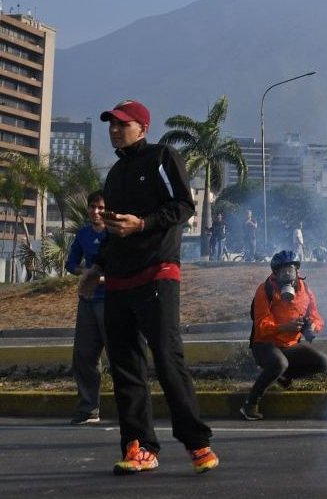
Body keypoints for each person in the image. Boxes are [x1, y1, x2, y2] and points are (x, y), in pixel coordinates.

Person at [78, 99, 218, 475]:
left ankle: (197, 444)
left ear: (142, 128)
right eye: (110, 124)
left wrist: (141, 224)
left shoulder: (162, 157)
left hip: (158, 272)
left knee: (168, 358)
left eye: (122, 124)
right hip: (119, 281)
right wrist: (96, 267)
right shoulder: (115, 176)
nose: (114, 130)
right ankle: (139, 447)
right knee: (125, 366)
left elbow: (183, 206)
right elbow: (113, 229)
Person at [240, 250, 327, 421]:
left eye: (290, 270)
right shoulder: (265, 289)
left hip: (289, 344)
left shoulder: (306, 291)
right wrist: (284, 327)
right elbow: (261, 326)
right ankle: (250, 403)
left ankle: (284, 376)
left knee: (323, 362)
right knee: (279, 363)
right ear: (275, 274)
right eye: (282, 272)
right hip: (264, 344)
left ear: (298, 272)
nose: (287, 275)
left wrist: (313, 327)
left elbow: (316, 316)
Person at [67, 190, 108, 425]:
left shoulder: (114, 233)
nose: (96, 211)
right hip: (88, 300)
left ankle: (130, 411)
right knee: (84, 356)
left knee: (122, 356)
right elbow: (71, 263)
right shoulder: (83, 234)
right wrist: (86, 273)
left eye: (101, 207)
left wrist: (103, 278)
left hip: (111, 300)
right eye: (93, 207)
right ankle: (88, 409)